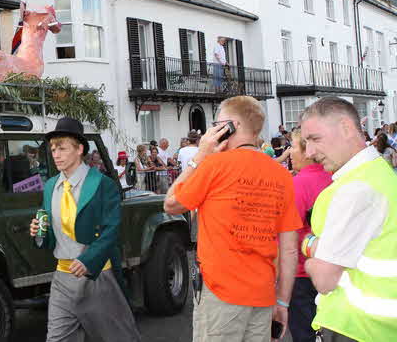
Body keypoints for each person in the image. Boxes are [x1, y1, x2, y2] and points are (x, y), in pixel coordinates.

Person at [164, 96, 302, 342]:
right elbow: (290, 249)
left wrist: (200, 156)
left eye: (217, 124)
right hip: (263, 293)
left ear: (231, 126)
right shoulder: (281, 175)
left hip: (221, 292)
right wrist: (282, 301)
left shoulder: (214, 165)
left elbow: (171, 203)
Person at [28, 118, 141, 342]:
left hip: (97, 276)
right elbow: (50, 233)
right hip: (62, 276)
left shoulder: (102, 184)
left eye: (62, 148)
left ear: (79, 149)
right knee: (58, 339)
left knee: (118, 337)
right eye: (52, 149)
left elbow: (111, 229)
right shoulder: (50, 186)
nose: (56, 154)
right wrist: (39, 232)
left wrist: (89, 259)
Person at [299, 97, 397, 341]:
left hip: (354, 327)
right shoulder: (378, 173)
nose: (309, 152)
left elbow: (324, 280)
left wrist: (311, 254)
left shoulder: (355, 189)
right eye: (305, 143)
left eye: (315, 139)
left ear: (346, 128)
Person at [287, 127, 333, 342]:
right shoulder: (334, 177)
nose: (289, 152)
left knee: (304, 331)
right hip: (336, 268)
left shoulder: (297, 185)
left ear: (307, 151)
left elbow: (290, 236)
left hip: (302, 272)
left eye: (293, 146)